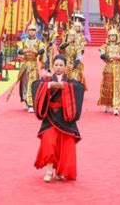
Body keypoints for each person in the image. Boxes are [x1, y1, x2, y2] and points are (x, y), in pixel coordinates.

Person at [33, 54, 85, 182]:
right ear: (52, 66)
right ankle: (49, 170)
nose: (58, 68)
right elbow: (35, 85)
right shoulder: (46, 80)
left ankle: (61, 171)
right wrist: (49, 86)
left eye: (61, 65)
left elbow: (80, 88)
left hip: (65, 116)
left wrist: (65, 86)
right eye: (56, 65)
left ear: (66, 67)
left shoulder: (70, 82)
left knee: (65, 145)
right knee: (48, 142)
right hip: (50, 115)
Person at [97, 28, 120, 116]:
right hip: (108, 68)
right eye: (111, 36)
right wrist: (108, 56)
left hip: (118, 69)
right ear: (109, 37)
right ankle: (107, 104)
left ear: (116, 37)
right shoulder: (105, 46)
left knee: (117, 88)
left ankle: (116, 107)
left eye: (114, 36)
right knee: (108, 86)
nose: (112, 37)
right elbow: (101, 54)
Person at [17, 23, 45, 113]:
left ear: (36, 32)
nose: (32, 32)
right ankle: (26, 99)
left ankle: (31, 103)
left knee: (32, 83)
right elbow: (19, 50)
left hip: (33, 64)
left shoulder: (38, 42)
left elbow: (42, 49)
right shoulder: (23, 41)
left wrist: (39, 51)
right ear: (27, 31)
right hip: (25, 64)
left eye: (33, 30)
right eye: (30, 30)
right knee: (24, 83)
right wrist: (23, 51)